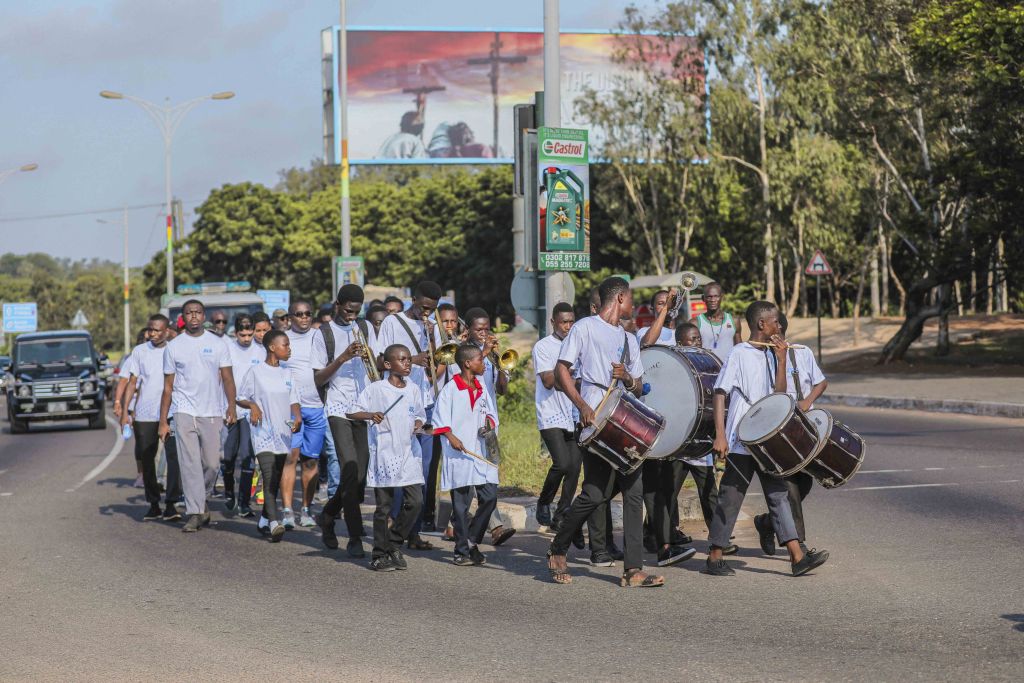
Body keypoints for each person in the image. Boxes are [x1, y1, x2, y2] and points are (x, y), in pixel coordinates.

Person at [547, 277, 665, 588]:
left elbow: (638, 386)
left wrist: (627, 377)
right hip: (594, 419)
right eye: (631, 299)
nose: (634, 305)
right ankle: (558, 547)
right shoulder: (584, 327)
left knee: (634, 492)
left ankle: (633, 570)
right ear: (620, 298)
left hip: (623, 419)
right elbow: (561, 370)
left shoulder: (629, 338)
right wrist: (582, 405)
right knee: (594, 494)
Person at [703, 301, 829, 577]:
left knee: (779, 494)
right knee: (731, 496)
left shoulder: (773, 354)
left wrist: (781, 361)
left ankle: (797, 557)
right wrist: (721, 436)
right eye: (775, 321)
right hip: (741, 438)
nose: (780, 326)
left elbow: (779, 395)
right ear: (762, 324)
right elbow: (720, 393)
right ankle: (714, 556)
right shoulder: (739, 353)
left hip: (766, 439)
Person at [374, 281, 444, 551]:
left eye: (432, 309)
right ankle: (393, 525)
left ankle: (412, 532)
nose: (427, 312)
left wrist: (433, 338)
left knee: (421, 470)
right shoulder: (393, 322)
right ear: (413, 299)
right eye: (423, 307)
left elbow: (438, 360)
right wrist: (412, 359)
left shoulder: (432, 325)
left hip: (424, 403)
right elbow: (380, 362)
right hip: (398, 404)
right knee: (397, 467)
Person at [752, 313, 828, 556]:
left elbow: (821, 383)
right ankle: (799, 545)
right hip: (778, 430)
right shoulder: (761, 357)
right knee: (790, 484)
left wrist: (807, 401)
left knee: (805, 481)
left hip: (803, 427)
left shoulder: (802, 352)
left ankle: (767, 523)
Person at [158, 300, 237, 532]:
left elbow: (228, 378)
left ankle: (201, 499)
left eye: (197, 312)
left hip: (211, 410)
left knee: (212, 464)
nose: (193, 316)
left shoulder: (218, 343)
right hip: (183, 410)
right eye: (189, 313)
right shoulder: (174, 347)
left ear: (204, 316)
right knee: (189, 463)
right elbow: (168, 387)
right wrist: (163, 421)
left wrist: (232, 406)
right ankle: (194, 512)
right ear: (183, 318)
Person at [347, 344, 427, 571]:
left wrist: (419, 423)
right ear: (388, 364)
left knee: (416, 502)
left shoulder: (413, 389)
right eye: (402, 359)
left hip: (409, 453)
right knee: (384, 507)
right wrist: (370, 414)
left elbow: (419, 414)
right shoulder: (376, 389)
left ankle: (394, 542)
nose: (407, 363)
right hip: (384, 453)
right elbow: (351, 411)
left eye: (409, 359)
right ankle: (379, 554)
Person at [314, 285, 373, 557]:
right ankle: (355, 536)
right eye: (348, 311)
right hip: (338, 408)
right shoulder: (323, 333)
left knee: (359, 477)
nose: (352, 316)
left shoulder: (365, 327)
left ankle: (327, 514)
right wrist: (343, 357)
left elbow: (377, 364)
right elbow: (318, 378)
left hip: (363, 406)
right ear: (337, 305)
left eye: (356, 311)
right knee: (349, 469)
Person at [433, 344, 499, 566]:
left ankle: (471, 540)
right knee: (460, 507)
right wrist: (451, 436)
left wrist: (489, 423)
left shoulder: (482, 387)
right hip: (459, 454)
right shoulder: (450, 389)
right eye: (480, 359)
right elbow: (439, 419)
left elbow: (491, 414)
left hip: (481, 451)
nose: (484, 363)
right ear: (468, 363)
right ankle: (461, 551)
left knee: (490, 496)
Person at [236, 329, 302, 542]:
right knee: (268, 474)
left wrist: (297, 416)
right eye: (285, 345)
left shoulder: (287, 373)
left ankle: (264, 519)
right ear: (272, 347)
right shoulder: (256, 372)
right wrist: (252, 405)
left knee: (275, 479)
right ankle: (274, 522)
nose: (289, 349)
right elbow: (240, 397)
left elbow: (294, 400)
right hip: (262, 431)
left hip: (283, 433)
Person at [462, 308, 516, 546]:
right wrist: (483, 353)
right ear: (468, 330)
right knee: (475, 474)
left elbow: (501, 390)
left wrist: (502, 368)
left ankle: (457, 522)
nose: (484, 333)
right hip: (467, 421)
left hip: (489, 422)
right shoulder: (462, 352)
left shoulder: (492, 356)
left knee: (489, 473)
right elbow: (465, 380)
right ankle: (495, 526)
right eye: (479, 329)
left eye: (486, 329)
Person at [533, 302, 585, 541]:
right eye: (564, 322)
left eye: (572, 321)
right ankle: (544, 501)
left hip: (574, 413)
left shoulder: (579, 345)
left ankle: (561, 515)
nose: (568, 326)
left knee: (574, 468)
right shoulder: (543, 346)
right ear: (553, 322)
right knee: (562, 463)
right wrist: (566, 371)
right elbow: (548, 381)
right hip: (550, 414)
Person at [120, 315, 181, 520]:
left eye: (157, 330)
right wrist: (125, 412)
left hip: (171, 412)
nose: (152, 334)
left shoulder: (174, 350)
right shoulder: (139, 351)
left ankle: (171, 504)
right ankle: (154, 504)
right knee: (147, 460)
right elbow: (132, 382)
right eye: (150, 330)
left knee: (174, 457)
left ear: (167, 331)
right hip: (145, 415)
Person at [281, 300, 327, 529]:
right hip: (290, 407)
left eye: (308, 313)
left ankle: (306, 510)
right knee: (291, 457)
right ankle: (287, 510)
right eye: (299, 314)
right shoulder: (282, 339)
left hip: (317, 407)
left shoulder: (321, 337)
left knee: (310, 461)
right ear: (290, 317)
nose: (304, 317)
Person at [221, 314, 262, 516]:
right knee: (228, 457)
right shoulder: (227, 349)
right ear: (235, 333)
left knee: (248, 456)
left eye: (249, 334)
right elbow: (220, 379)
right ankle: (229, 491)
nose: (246, 339)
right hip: (229, 408)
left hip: (250, 410)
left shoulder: (261, 350)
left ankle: (245, 503)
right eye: (242, 335)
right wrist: (224, 406)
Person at [691, 282, 742, 362]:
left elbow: (739, 350)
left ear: (722, 297)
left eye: (716, 296)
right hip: (706, 367)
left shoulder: (734, 321)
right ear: (703, 298)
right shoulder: (695, 323)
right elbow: (691, 352)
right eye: (709, 297)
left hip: (729, 368)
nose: (713, 300)